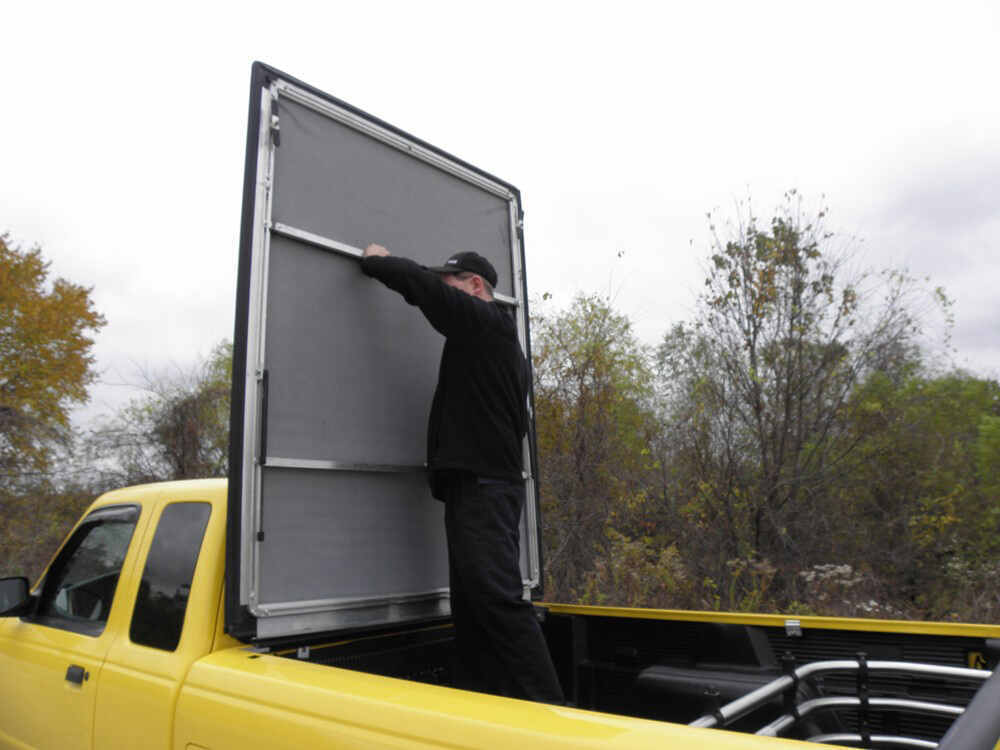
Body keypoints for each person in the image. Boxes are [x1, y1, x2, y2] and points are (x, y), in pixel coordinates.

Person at [360, 243, 565, 705]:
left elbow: (428, 293)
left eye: (453, 282)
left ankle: (555, 719)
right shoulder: (488, 343)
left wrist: (379, 261)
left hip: (486, 488)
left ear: (476, 286)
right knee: (472, 608)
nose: (446, 290)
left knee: (496, 601)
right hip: (477, 488)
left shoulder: (488, 325)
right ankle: (479, 708)